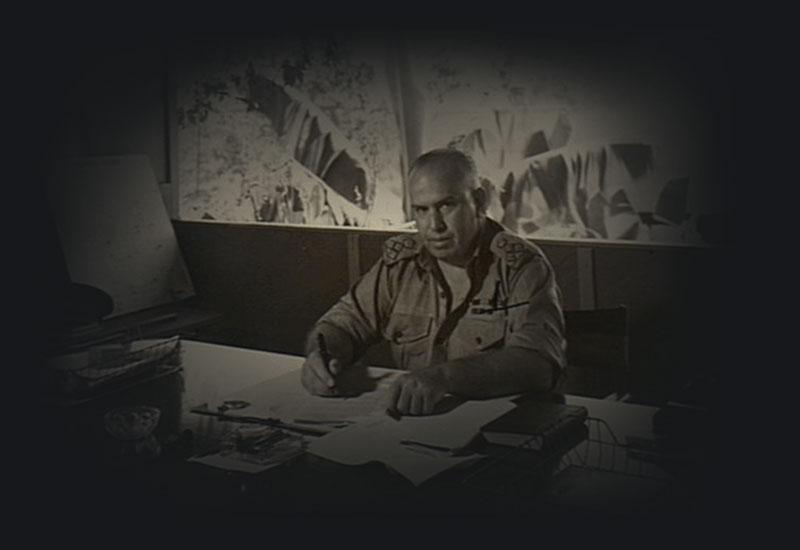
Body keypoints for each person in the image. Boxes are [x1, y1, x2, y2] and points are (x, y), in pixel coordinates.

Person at [301, 149, 566, 416]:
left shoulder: (520, 267)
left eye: (446, 206)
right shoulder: (400, 265)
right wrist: (322, 356)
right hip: (412, 423)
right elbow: (342, 324)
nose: (434, 225)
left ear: (478, 201)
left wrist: (444, 378)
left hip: (500, 425)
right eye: (422, 210)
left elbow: (538, 364)